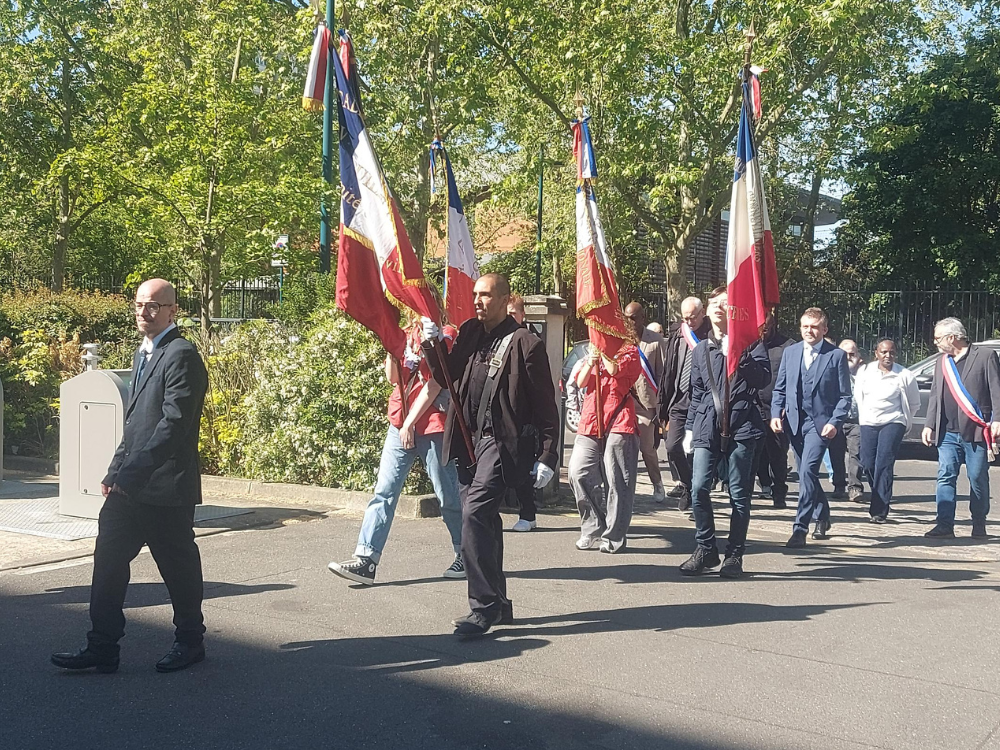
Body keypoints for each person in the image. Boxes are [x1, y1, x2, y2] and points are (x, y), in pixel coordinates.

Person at [51, 279, 209, 674]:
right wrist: (114, 471)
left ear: (173, 310)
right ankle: (103, 645)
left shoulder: (182, 355)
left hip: (166, 487)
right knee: (107, 562)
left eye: (154, 305)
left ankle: (190, 641)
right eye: (139, 304)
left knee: (177, 568)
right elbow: (136, 423)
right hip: (129, 487)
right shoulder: (143, 355)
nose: (144, 312)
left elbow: (174, 426)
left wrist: (133, 473)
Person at [422, 273, 559, 637]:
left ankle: (481, 608)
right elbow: (448, 376)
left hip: (501, 445)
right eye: (475, 295)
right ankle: (499, 602)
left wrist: (547, 454)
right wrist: (431, 347)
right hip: (467, 441)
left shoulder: (526, 343)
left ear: (505, 299)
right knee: (486, 522)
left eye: (486, 295)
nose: (478, 301)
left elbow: (546, 404)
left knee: (474, 515)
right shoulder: (469, 332)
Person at [327, 312, 464, 585]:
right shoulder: (404, 334)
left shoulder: (446, 335)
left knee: (447, 496)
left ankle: (467, 554)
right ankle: (366, 559)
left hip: (431, 424)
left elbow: (436, 383)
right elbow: (394, 378)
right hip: (400, 423)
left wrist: (410, 423)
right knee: (384, 492)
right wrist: (391, 350)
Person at [679, 288, 770, 578]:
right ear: (707, 311)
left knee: (739, 495)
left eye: (725, 304)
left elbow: (763, 379)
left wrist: (739, 353)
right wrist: (690, 428)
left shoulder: (751, 343)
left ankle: (734, 555)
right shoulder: (702, 349)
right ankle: (706, 548)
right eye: (714, 304)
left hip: (743, 426)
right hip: (708, 425)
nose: (719, 308)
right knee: (698, 488)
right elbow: (697, 393)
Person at [771, 307, 852, 547]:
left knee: (807, 471)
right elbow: (780, 388)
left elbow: (845, 396)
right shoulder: (791, 352)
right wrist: (776, 413)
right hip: (795, 423)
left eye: (815, 326)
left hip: (821, 424)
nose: (809, 330)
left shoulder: (835, 356)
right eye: (805, 326)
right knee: (808, 474)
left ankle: (800, 527)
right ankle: (823, 516)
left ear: (824, 329)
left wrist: (834, 422)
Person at [921, 318, 1000, 538]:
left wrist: (997, 419)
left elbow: (996, 390)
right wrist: (929, 425)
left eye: (938, 338)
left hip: (975, 430)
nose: (935, 342)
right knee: (945, 474)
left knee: (977, 477)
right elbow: (936, 394)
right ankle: (945, 524)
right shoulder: (941, 361)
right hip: (947, 431)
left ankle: (978, 522)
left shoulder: (985, 356)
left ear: (952, 338)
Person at [569, 341, 641, 553]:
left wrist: (604, 351)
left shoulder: (629, 351)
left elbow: (614, 370)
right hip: (591, 419)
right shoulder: (594, 352)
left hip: (619, 420)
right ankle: (592, 526)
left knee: (617, 480)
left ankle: (614, 534)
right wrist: (591, 361)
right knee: (577, 472)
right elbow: (581, 382)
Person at [854, 338, 919, 523]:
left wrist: (904, 420)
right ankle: (878, 493)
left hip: (893, 421)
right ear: (876, 353)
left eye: (891, 352)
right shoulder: (865, 372)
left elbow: (914, 403)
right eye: (883, 352)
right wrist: (864, 416)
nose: (887, 356)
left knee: (884, 462)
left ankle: (879, 510)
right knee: (867, 463)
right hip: (869, 421)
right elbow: (859, 397)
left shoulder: (904, 375)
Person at [658, 296, 711, 511]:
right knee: (672, 446)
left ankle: (697, 495)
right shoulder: (678, 334)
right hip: (679, 400)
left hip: (701, 401)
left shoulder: (711, 335)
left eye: (693, 317)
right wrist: (662, 404)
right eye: (685, 318)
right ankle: (688, 484)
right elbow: (669, 370)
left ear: (702, 313)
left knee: (695, 451)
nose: (689, 322)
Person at [624, 301, 668, 502]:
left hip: (647, 404)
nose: (629, 321)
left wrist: (661, 407)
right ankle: (626, 487)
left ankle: (657, 483)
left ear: (642, 317)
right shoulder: (622, 339)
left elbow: (663, 374)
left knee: (646, 448)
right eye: (626, 317)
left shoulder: (656, 341)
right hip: (625, 401)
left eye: (633, 317)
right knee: (624, 446)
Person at [505, 293, 540, 532]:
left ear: (521, 315)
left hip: (525, 415)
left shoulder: (530, 341)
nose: (508, 318)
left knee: (524, 465)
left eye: (512, 314)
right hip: (501, 412)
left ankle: (528, 514)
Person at [756, 312, 793, 508]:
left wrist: (785, 406)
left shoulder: (788, 347)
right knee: (754, 453)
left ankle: (779, 491)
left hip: (775, 410)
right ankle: (762, 485)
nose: (763, 331)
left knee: (777, 454)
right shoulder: (750, 344)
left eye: (767, 327)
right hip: (753, 407)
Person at [827, 339, 865, 501]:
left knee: (856, 453)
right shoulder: (831, 373)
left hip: (857, 420)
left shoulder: (866, 374)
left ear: (858, 356)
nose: (848, 357)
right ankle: (839, 486)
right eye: (844, 354)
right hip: (837, 420)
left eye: (852, 354)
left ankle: (855, 488)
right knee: (835, 454)